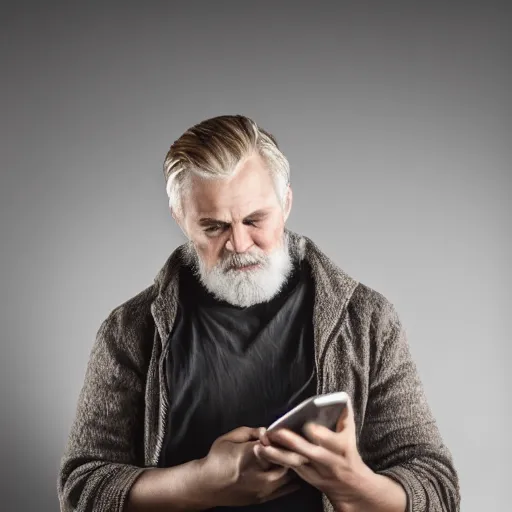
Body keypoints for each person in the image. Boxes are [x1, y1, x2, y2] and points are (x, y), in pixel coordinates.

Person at [57, 114, 460, 512]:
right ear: (181, 220)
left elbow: (438, 492)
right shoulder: (130, 329)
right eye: (214, 227)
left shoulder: (367, 321)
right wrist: (199, 484)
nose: (238, 243)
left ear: (285, 203)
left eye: (255, 219)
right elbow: (82, 489)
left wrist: (352, 483)